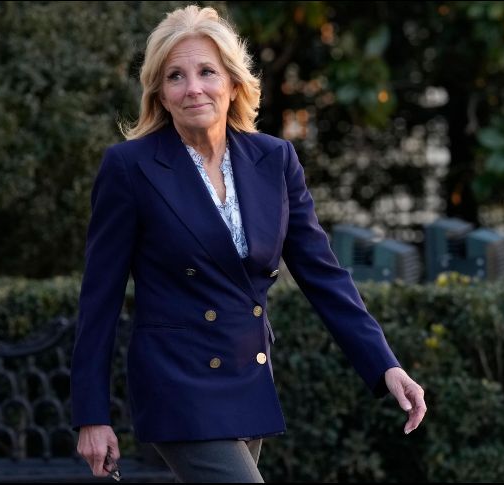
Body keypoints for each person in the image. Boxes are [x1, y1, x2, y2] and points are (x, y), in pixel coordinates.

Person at [71, 5, 426, 483]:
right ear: (160, 92)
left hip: (247, 373)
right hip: (177, 382)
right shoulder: (130, 169)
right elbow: (100, 298)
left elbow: (322, 273)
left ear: (233, 82)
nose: (193, 87)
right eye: (175, 76)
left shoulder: (274, 159)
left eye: (206, 72)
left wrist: (386, 365)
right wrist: (91, 415)